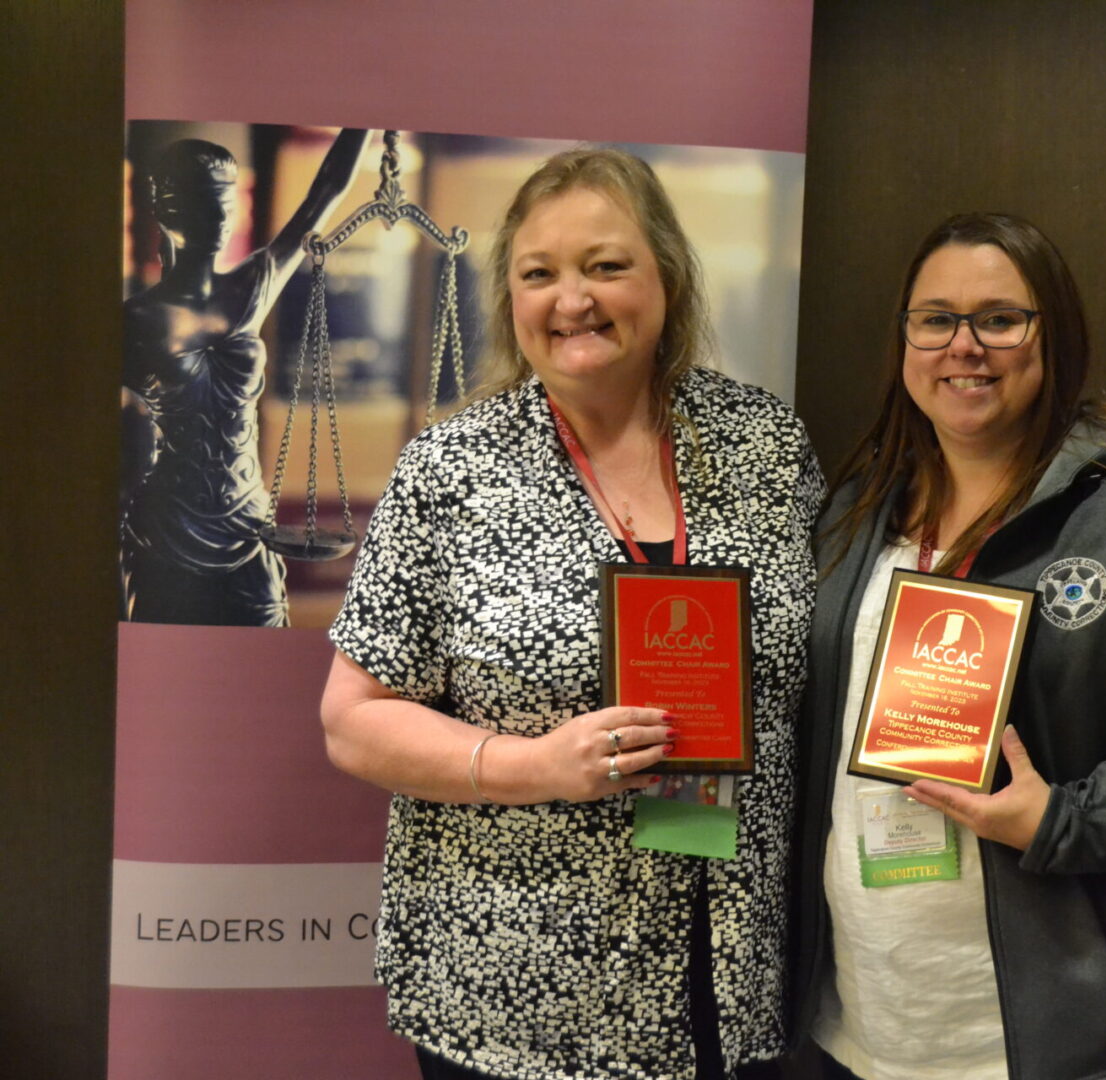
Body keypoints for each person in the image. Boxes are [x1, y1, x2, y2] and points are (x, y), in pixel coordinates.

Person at [321, 147, 822, 1080]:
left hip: (729, 967)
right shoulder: (453, 471)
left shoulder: (766, 443)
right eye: (538, 273)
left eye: (605, 265)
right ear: (509, 298)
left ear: (666, 276)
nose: (572, 299)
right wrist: (536, 766)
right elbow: (352, 723)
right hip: (517, 982)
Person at [792, 213, 1106, 1080]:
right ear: (906, 339)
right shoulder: (855, 513)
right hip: (873, 1027)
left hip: (1100, 1036)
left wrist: (1063, 819)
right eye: (936, 318)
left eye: (1000, 318)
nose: (964, 346)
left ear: (1052, 333)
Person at [122, 128, 372, 626]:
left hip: (247, 523)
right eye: (204, 204)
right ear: (170, 212)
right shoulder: (133, 321)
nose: (220, 217)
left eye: (227, 203)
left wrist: (368, 121)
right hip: (169, 525)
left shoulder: (253, 287)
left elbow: (326, 191)